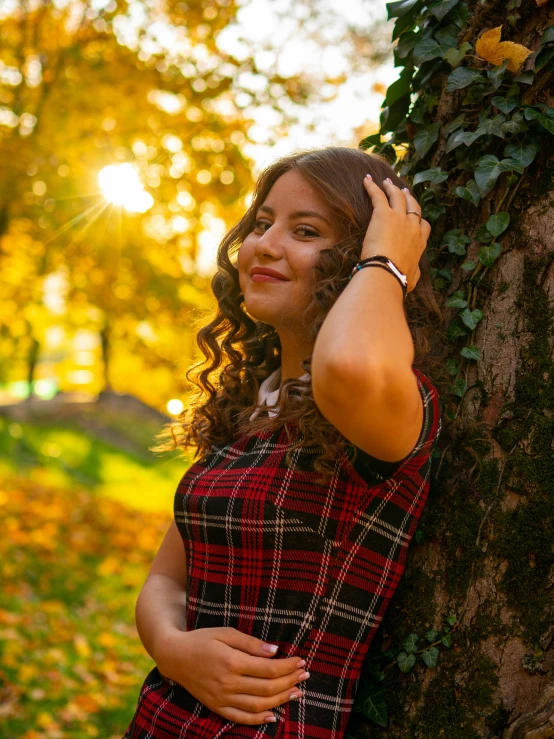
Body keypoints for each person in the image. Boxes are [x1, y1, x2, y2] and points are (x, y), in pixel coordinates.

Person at [123, 146, 443, 739]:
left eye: (305, 230)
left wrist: (389, 263)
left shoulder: (386, 404)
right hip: (162, 719)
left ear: (358, 256)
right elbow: (168, 578)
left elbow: (344, 364)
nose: (264, 245)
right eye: (262, 223)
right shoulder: (250, 409)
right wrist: (172, 648)